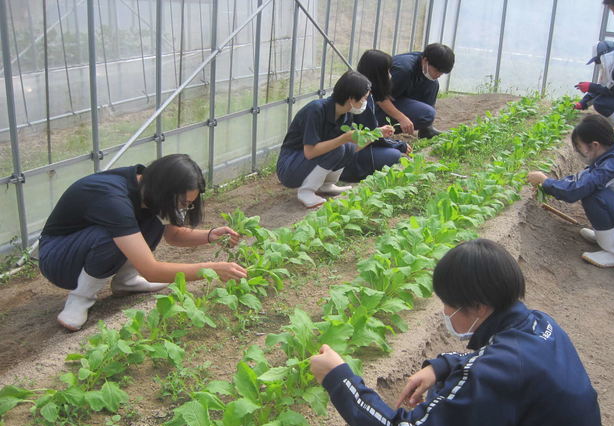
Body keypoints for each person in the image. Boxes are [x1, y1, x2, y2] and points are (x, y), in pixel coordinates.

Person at [310, 238, 605, 426]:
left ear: (478, 307)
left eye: (448, 303)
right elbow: (492, 362)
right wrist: (442, 366)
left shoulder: (499, 373)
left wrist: (339, 379)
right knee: (446, 400)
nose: (445, 310)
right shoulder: (538, 325)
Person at [38, 154, 247, 331]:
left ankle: (125, 281)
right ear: (165, 190)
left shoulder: (149, 189)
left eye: (188, 205)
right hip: (59, 259)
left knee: (150, 219)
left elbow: (173, 236)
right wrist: (212, 269)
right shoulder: (113, 199)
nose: (183, 209)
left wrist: (210, 236)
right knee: (113, 232)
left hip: (83, 248)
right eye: (184, 203)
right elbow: (152, 270)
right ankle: (81, 297)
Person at [528, 114, 614, 268]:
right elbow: (582, 178)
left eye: (579, 146)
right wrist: (551, 183)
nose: (578, 150)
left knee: (595, 195)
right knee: (596, 189)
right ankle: (607, 237)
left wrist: (545, 182)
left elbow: (577, 190)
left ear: (595, 145)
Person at [276, 70, 377, 208]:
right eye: (364, 98)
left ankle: (327, 185)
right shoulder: (316, 110)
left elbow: (351, 149)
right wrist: (343, 139)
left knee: (345, 147)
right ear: (351, 99)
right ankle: (306, 192)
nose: (365, 102)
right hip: (290, 167)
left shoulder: (345, 115)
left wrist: (376, 135)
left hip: (305, 163)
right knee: (339, 147)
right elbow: (310, 152)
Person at [340, 49, 411, 182]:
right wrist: (398, 145)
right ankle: (350, 173)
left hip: (348, 148)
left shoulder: (361, 91)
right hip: (349, 154)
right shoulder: (362, 100)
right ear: (378, 74)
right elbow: (372, 135)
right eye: (388, 72)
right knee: (395, 155)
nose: (390, 76)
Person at [374, 43, 455, 139]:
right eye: (437, 71)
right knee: (427, 114)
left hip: (397, 98)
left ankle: (426, 130)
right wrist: (401, 118)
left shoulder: (426, 71)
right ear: (425, 61)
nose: (439, 75)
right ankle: (380, 128)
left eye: (442, 73)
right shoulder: (403, 70)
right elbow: (379, 97)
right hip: (376, 105)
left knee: (433, 85)